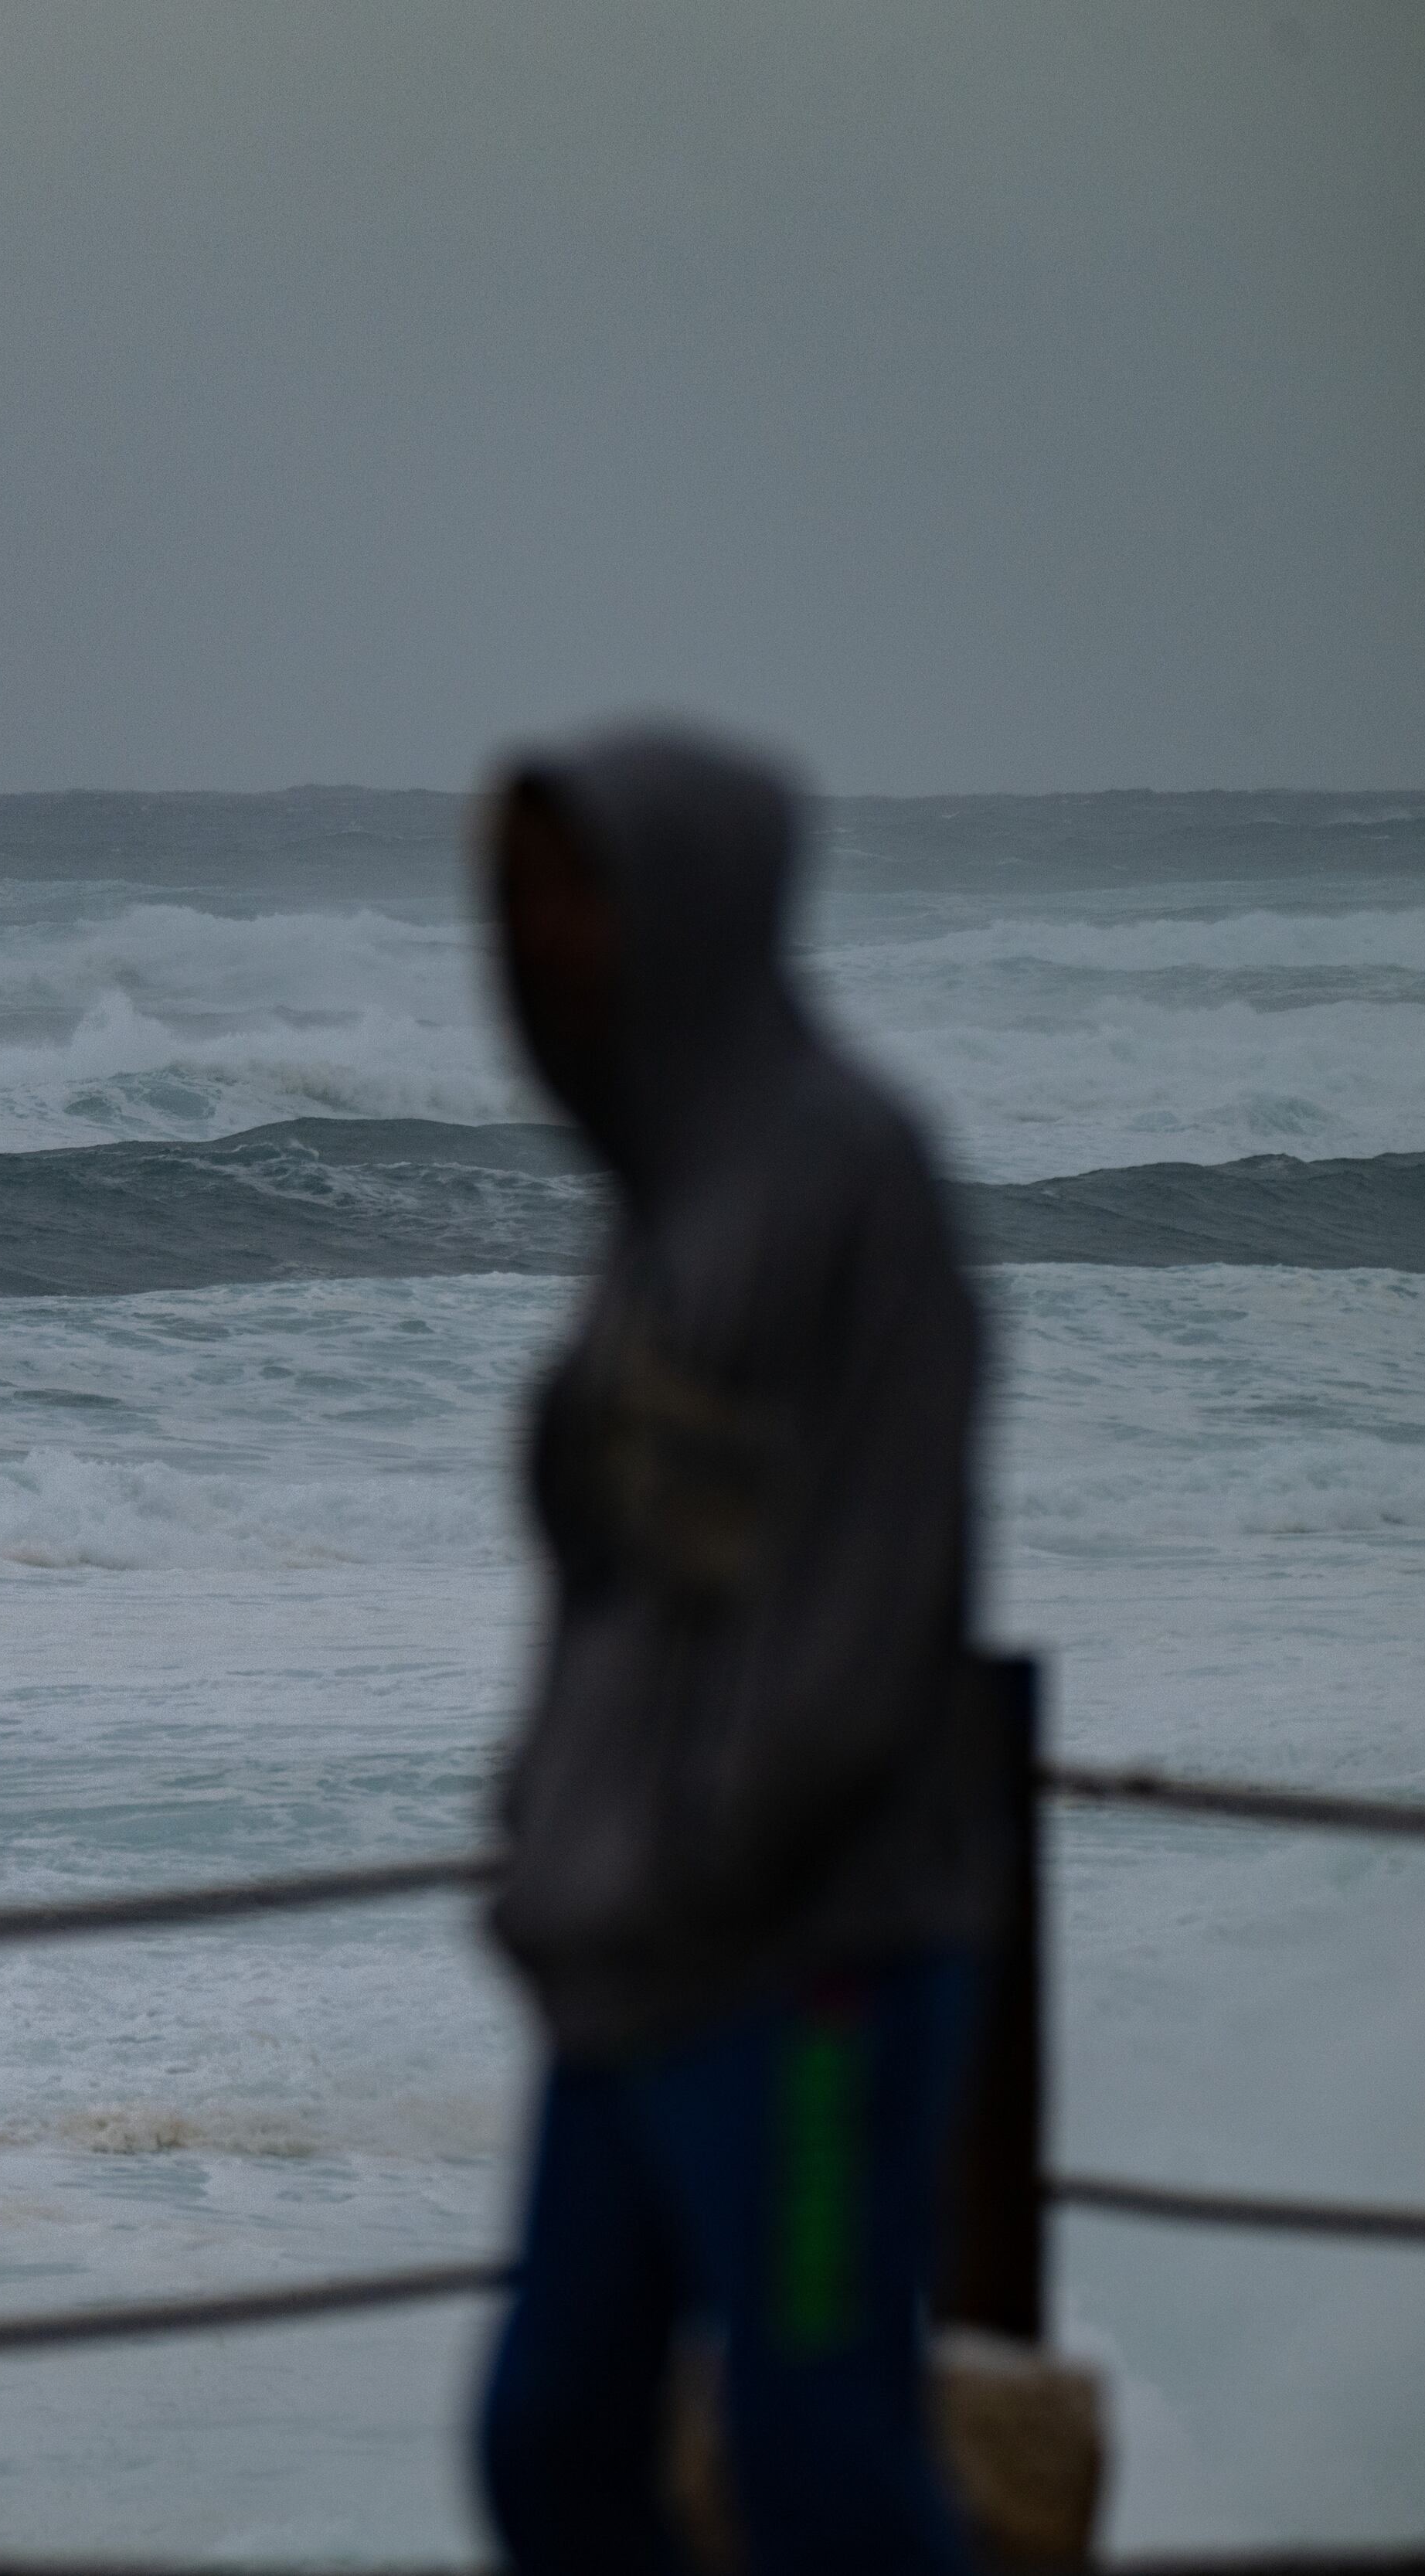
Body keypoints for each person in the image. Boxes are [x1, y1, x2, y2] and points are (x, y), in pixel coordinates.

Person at [472, 721, 999, 2573]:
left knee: (820, 2456)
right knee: (547, 2433)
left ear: (683, 903)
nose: (542, 938)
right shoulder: (660, 1211)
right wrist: (549, 1818)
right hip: (628, 1966)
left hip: (809, 1964)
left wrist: (702, 1844)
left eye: (577, 891)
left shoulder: (848, 1176)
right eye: (516, 894)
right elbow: (619, 1577)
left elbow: (860, 1601)